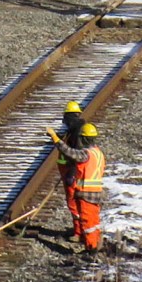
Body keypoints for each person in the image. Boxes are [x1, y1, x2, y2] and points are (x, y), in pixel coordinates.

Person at [48, 121, 104, 252]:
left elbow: (70, 152)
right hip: (96, 192)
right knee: (94, 222)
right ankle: (95, 244)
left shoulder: (86, 154)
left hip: (86, 193)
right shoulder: (98, 153)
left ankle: (91, 249)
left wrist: (55, 138)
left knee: (87, 222)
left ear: (84, 138)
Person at [55, 101, 87, 241]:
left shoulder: (76, 132)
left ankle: (79, 233)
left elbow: (76, 154)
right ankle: (78, 230)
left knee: (74, 203)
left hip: (72, 172)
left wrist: (72, 172)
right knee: (74, 202)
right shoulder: (74, 130)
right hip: (69, 171)